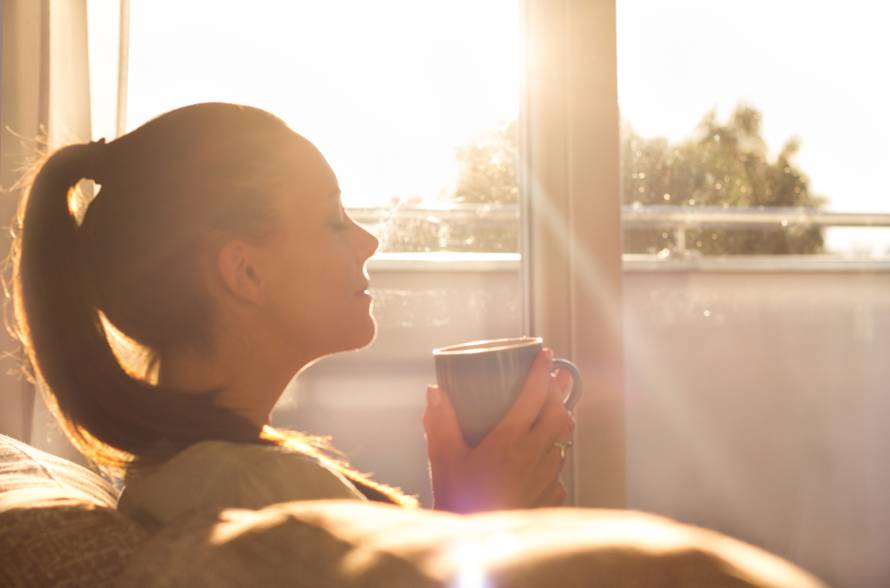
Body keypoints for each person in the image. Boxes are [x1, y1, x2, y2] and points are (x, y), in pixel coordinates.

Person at [9, 102, 575, 525]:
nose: (367, 243)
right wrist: (476, 520)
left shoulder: (198, 477)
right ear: (246, 273)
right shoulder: (261, 496)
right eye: (333, 221)